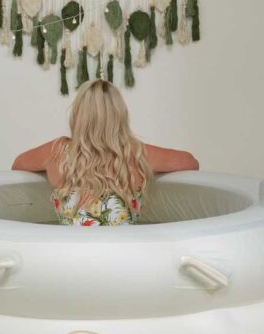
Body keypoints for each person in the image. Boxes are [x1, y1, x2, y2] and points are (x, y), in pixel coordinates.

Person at [12, 79, 199, 226]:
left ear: (78, 115)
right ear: (120, 116)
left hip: (69, 262)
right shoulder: (137, 154)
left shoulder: (56, 152)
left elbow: (18, 165)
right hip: (123, 262)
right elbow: (191, 162)